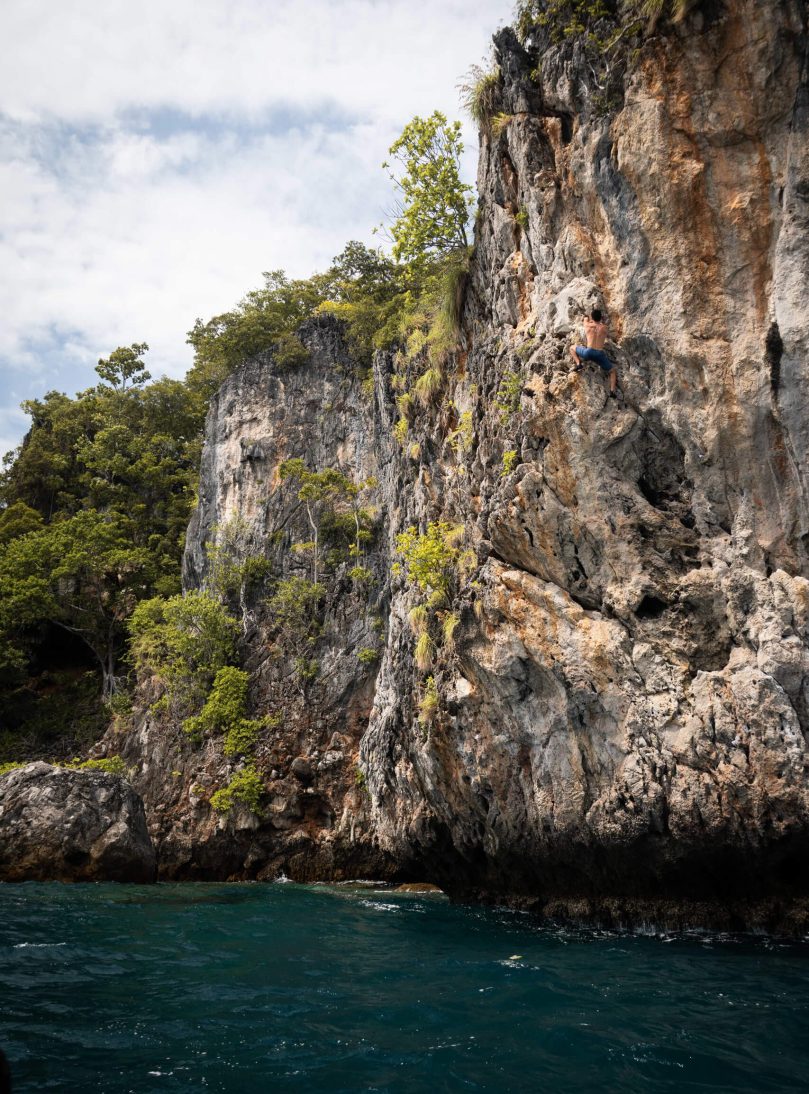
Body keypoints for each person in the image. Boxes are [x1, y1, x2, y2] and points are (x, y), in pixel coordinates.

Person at [569, 308, 618, 397]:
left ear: (592, 317)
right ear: (601, 318)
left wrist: (588, 317)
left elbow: (585, 318)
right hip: (599, 354)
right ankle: (612, 391)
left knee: (572, 348)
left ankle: (578, 363)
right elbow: (613, 334)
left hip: (588, 352)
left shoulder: (587, 325)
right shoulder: (604, 328)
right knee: (612, 371)